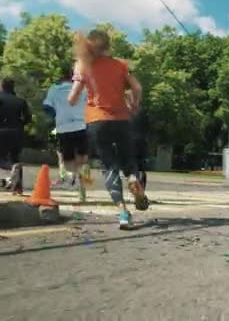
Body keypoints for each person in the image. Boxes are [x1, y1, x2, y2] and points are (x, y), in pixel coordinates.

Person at [68, 29, 146, 229]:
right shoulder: (120, 65)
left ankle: (122, 212)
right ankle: (133, 178)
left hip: (97, 121)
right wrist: (135, 105)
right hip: (121, 119)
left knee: (109, 165)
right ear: (108, 46)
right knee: (128, 160)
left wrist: (76, 98)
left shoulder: (84, 66)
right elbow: (137, 88)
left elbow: (72, 97)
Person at [43, 67, 92, 201]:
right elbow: (91, 104)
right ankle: (84, 184)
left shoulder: (54, 88)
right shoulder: (83, 87)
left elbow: (46, 107)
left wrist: (58, 115)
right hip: (82, 125)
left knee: (68, 160)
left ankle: (73, 177)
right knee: (83, 158)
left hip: (63, 127)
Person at [0, 77, 31, 195]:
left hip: (1, 131)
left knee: (1, 159)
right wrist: (19, 124)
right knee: (16, 157)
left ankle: (11, 167)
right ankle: (19, 188)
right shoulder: (20, 101)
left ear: (2, 86)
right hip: (17, 132)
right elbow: (28, 118)